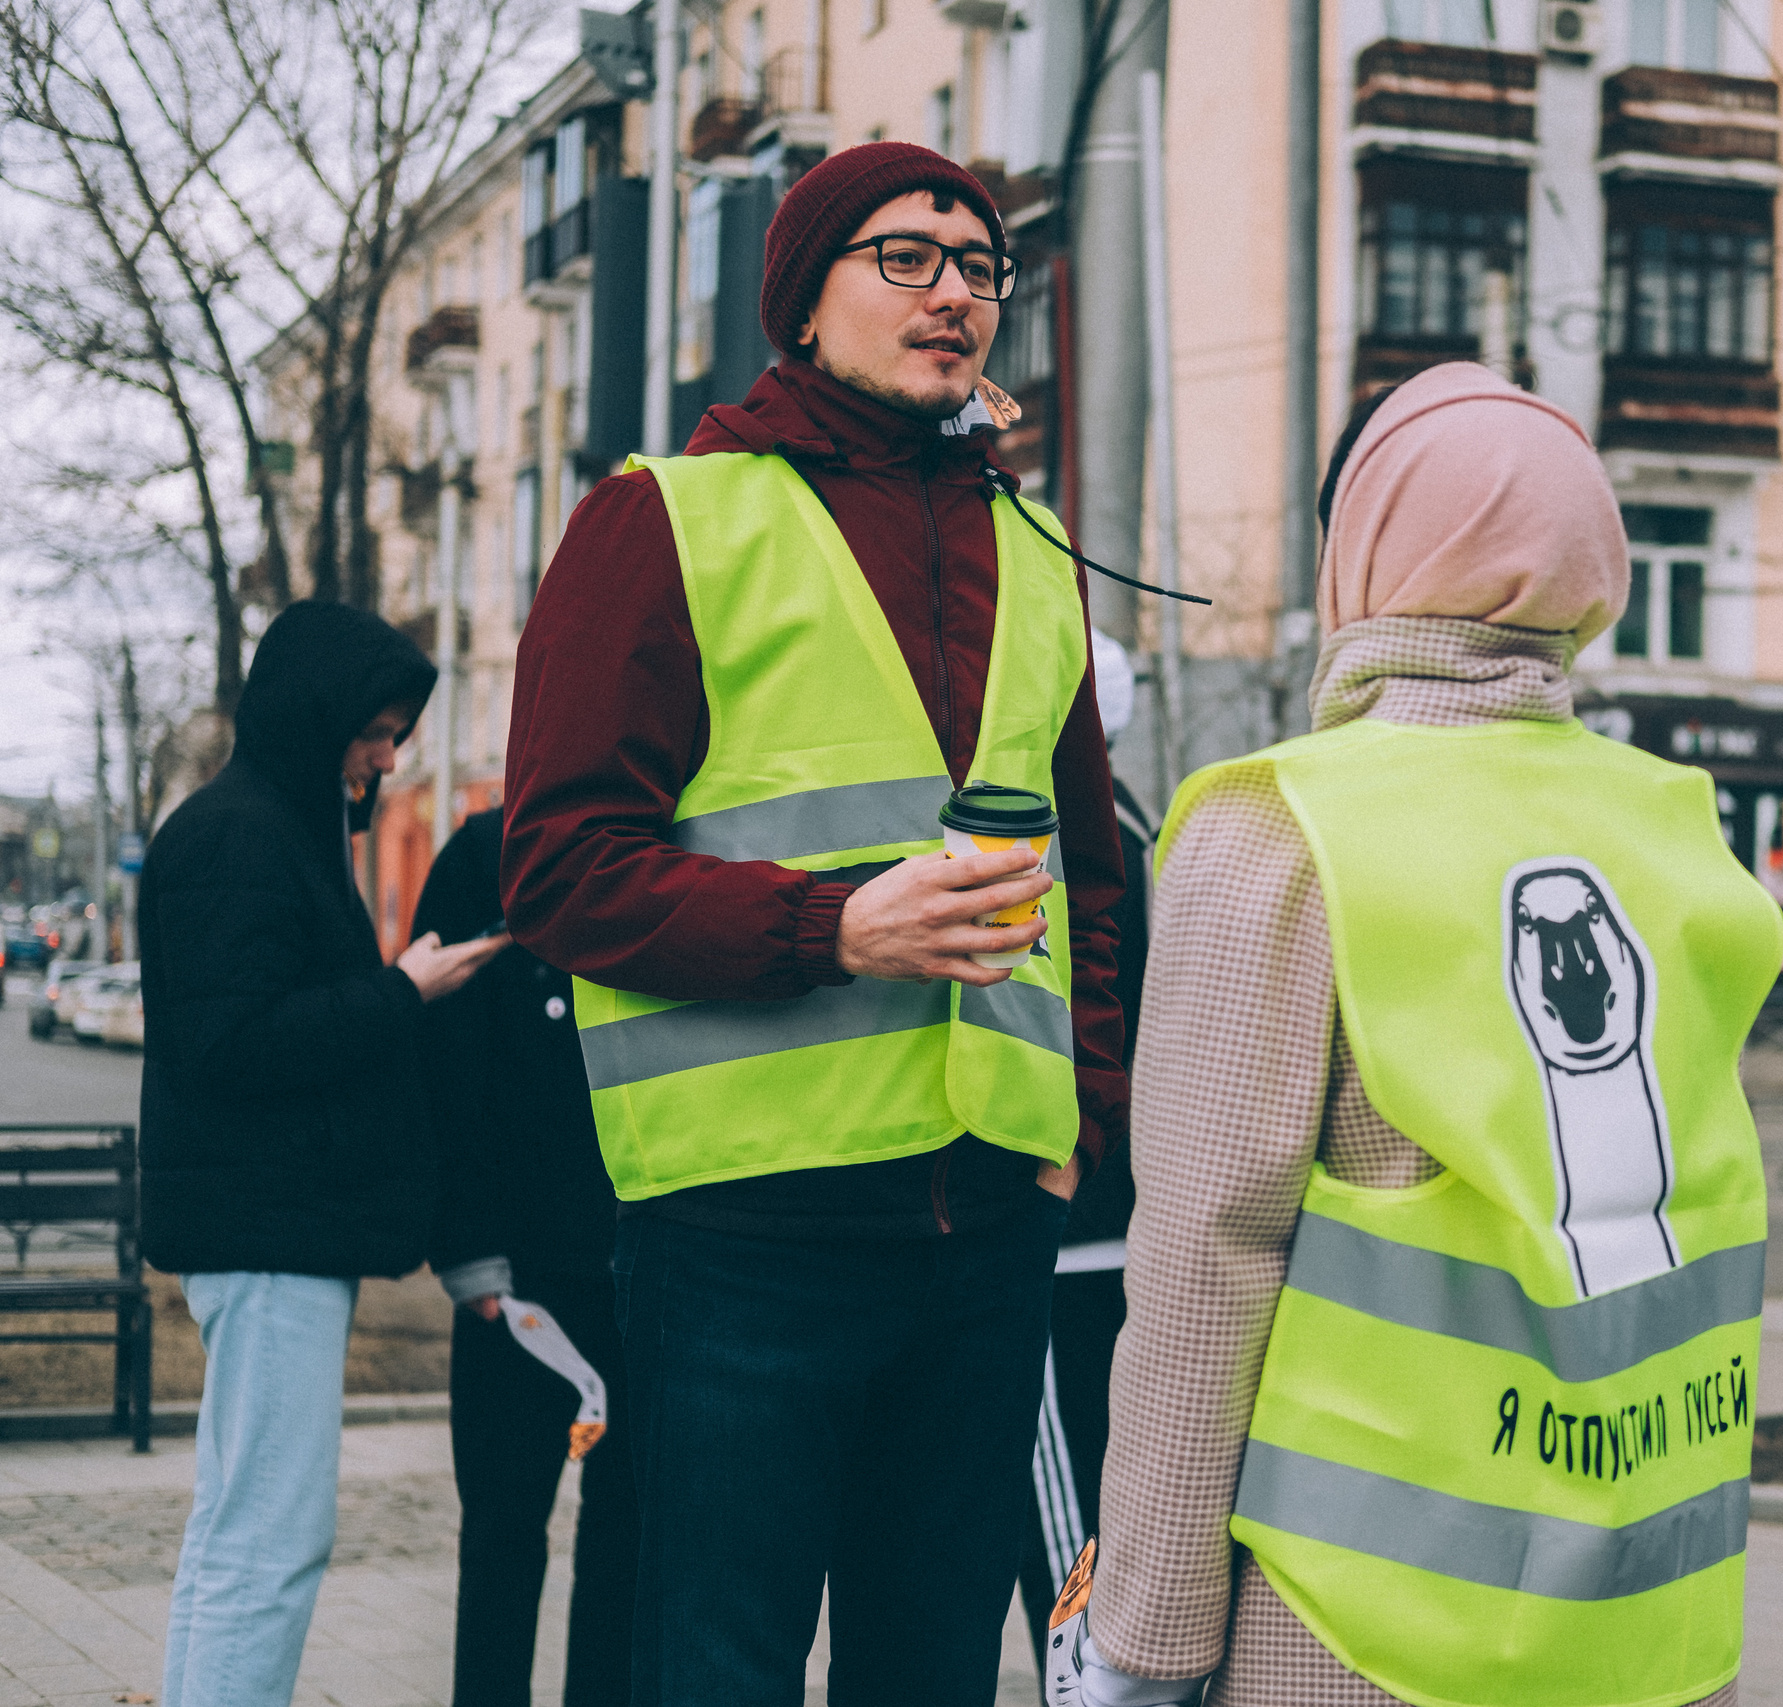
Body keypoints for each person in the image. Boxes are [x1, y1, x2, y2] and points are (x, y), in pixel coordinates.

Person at [1042, 361, 1783, 1707]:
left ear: (1369, 551)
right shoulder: (1673, 825)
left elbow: (1208, 1256)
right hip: (1641, 1618)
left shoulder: (1286, 827)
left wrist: (1141, 1638)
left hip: (1357, 1622)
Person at [500, 139, 1125, 1705]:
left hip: (984, 1223)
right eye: (903, 256)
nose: (955, 294)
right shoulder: (662, 520)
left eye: (980, 264)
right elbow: (561, 869)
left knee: (929, 1668)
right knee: (716, 1666)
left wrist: (1086, 1121)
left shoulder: (1038, 549)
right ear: (803, 296)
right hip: (741, 1233)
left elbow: (1095, 877)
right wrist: (837, 927)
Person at [140, 600, 505, 1707]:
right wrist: (404, 989)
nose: (386, 755)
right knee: (272, 1538)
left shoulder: (271, 831)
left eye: (396, 734)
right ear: (316, 712)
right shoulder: (237, 837)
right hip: (268, 1237)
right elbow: (230, 1044)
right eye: (375, 728)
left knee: (240, 1529)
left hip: (274, 1231)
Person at [414, 809, 637, 1707]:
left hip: (644, 1276)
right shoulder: (486, 852)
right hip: (514, 1291)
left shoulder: (668, 834)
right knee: (503, 1537)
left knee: (627, 1543)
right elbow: (442, 1053)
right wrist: (466, 1249)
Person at [1017, 630, 1152, 1658]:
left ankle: (1084, 1674)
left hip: (1066, 1230)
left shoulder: (1061, 848)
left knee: (1067, 1521)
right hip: (1123, 1227)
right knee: (1105, 1502)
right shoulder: (1150, 837)